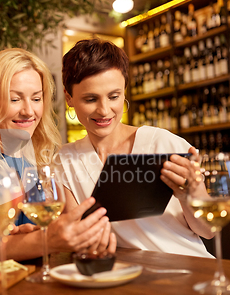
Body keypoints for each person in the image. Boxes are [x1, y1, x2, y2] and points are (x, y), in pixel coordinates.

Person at [0, 48, 116, 267]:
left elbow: (62, 230)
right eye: (15, 99)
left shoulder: (44, 159)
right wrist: (44, 240)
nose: (29, 111)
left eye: (36, 98)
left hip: (26, 287)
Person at [59, 39, 214, 258]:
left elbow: (208, 231)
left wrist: (191, 193)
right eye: (90, 99)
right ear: (69, 98)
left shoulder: (164, 144)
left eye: (114, 97)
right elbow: (75, 237)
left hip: (190, 266)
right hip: (124, 276)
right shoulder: (64, 160)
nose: (104, 110)